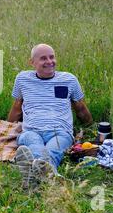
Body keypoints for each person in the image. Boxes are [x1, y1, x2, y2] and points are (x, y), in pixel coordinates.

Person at [7, 44, 92, 188]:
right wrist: (7, 127)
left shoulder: (69, 80)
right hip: (31, 130)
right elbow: (17, 107)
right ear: (32, 62)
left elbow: (81, 108)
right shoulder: (22, 79)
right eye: (43, 58)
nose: (49, 61)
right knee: (34, 144)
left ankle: (31, 173)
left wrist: (90, 125)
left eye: (52, 57)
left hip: (60, 131)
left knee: (53, 149)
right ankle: (51, 175)